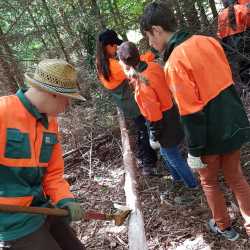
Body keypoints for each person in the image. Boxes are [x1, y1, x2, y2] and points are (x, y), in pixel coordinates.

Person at [140, 1, 250, 241]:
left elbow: (190, 112)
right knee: (236, 177)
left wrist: (195, 151)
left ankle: (223, 225)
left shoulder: (174, 62)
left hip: (209, 135)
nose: (150, 43)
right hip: (233, 123)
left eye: (149, 37)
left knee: (209, 182)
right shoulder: (208, 40)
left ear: (156, 30)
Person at [0, 59, 85, 249]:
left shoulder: (51, 124)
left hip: (43, 209)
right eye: (67, 98)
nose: (68, 104)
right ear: (53, 94)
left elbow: (53, 174)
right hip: (13, 222)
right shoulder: (3, 112)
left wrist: (65, 199)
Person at [117, 41, 197, 194]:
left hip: (162, 121)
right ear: (138, 54)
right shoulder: (152, 66)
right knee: (168, 153)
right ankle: (177, 179)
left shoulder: (142, 84)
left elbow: (153, 112)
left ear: (124, 62)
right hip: (171, 111)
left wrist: (155, 132)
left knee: (171, 154)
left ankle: (192, 185)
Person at [96, 29, 158, 176]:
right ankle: (148, 164)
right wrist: (152, 53)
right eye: (114, 46)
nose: (117, 48)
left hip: (124, 102)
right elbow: (134, 63)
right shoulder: (113, 65)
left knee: (141, 129)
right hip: (132, 102)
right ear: (107, 46)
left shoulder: (101, 63)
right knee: (144, 129)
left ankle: (145, 158)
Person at [217, 0, 250, 95]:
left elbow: (219, 34)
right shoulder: (242, 9)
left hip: (230, 44)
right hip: (243, 39)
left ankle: (247, 87)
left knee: (242, 67)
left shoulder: (221, 15)